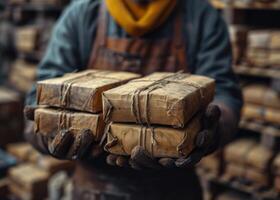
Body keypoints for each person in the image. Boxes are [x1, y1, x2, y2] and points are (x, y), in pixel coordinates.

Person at [24, 0, 243, 199]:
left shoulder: (200, 15)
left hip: (173, 187)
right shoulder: (82, 14)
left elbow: (223, 90)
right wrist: (47, 130)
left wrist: (214, 128)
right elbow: (42, 91)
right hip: (94, 187)